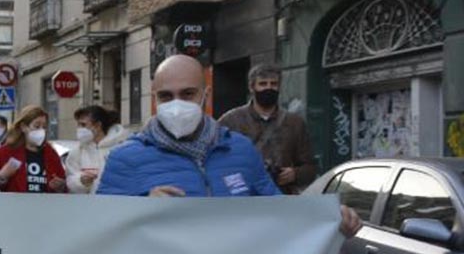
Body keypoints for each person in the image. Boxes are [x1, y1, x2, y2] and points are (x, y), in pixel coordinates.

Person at [97, 55, 361, 236]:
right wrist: (140, 208)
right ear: (154, 99)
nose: (177, 103)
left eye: (188, 94)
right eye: (166, 96)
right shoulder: (124, 159)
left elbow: (277, 210)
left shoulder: (241, 150)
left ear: (205, 95)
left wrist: (326, 219)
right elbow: (99, 233)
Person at [218, 63, 317, 194]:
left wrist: (295, 174)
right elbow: (215, 161)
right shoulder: (231, 120)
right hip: (242, 198)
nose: (268, 88)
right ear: (252, 87)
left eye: (273, 84)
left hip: (281, 196)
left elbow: (310, 168)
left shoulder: (295, 123)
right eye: (263, 84)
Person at [0, 106, 67, 193]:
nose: (41, 131)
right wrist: (1, 176)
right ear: (23, 127)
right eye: (37, 126)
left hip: (45, 204)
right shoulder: (6, 152)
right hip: (15, 204)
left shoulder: (50, 153)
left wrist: (60, 186)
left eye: (44, 127)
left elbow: (63, 184)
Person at [65, 105, 131, 194]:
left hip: (115, 203)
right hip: (89, 206)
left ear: (98, 125)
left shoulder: (120, 148)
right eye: (78, 125)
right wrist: (81, 181)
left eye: (83, 125)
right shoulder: (77, 152)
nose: (79, 129)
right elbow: (70, 181)